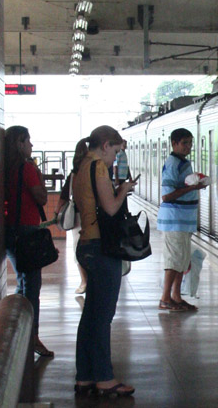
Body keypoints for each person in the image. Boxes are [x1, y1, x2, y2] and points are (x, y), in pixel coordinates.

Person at [72, 125, 136, 398]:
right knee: (103, 317)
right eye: (116, 152)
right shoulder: (98, 166)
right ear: (106, 145)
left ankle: (85, 376)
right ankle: (104, 378)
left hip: (86, 244)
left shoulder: (80, 165)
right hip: (101, 248)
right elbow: (110, 207)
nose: (115, 159)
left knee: (90, 316)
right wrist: (124, 189)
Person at [3, 125, 54, 358]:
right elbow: (42, 197)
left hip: (11, 231)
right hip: (27, 232)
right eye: (28, 141)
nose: (32, 145)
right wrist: (39, 175)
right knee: (32, 289)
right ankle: (31, 337)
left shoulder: (8, 168)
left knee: (23, 285)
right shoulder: (27, 167)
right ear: (20, 144)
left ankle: (18, 332)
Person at [158, 128, 207, 312]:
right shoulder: (173, 164)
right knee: (174, 260)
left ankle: (176, 297)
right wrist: (192, 188)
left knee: (182, 260)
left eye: (190, 143)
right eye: (184, 143)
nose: (188, 147)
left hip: (183, 220)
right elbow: (167, 195)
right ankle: (165, 298)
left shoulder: (182, 162)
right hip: (175, 220)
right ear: (174, 143)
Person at [56, 158, 89, 295]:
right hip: (94, 216)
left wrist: (56, 215)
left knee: (78, 248)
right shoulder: (97, 173)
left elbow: (63, 197)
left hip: (78, 218)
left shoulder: (73, 176)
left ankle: (84, 281)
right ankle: (89, 280)